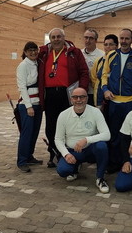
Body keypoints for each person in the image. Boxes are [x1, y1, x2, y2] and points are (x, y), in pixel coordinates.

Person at [38, 28, 89, 168]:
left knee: (68, 125)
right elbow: (27, 58)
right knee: (51, 126)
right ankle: (53, 153)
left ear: (64, 38)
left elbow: (84, 72)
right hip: (50, 94)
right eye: (53, 37)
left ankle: (70, 153)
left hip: (67, 94)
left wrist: (81, 90)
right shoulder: (44, 53)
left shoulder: (74, 52)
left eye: (58, 36)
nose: (56, 39)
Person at [102, 28, 132, 173]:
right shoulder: (111, 55)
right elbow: (104, 75)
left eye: (127, 39)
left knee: (128, 134)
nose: (124, 41)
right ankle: (114, 163)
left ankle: (127, 161)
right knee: (114, 134)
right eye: (122, 38)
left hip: (130, 102)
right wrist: (105, 90)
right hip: (114, 102)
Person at [55, 87, 111, 193]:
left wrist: (86, 139)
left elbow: (107, 134)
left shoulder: (95, 112)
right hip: (73, 151)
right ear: (71, 99)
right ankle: (75, 168)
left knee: (102, 146)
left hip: (90, 150)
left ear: (87, 99)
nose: (79, 100)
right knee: (63, 171)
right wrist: (66, 154)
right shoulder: (63, 115)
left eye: (82, 97)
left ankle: (100, 178)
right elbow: (58, 139)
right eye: (75, 97)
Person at [16, 41, 43, 173]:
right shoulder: (23, 65)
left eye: (35, 50)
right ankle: (21, 161)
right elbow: (22, 87)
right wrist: (28, 106)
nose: (33, 52)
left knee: (34, 133)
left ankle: (29, 156)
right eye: (30, 50)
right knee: (26, 134)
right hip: (28, 105)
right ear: (25, 52)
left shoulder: (38, 63)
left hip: (38, 104)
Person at [90, 34, 118, 110]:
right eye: (105, 44)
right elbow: (94, 78)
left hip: (115, 97)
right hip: (100, 97)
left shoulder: (120, 60)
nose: (107, 47)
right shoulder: (99, 61)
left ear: (116, 46)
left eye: (111, 44)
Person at [82, 28, 105, 106]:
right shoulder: (79, 54)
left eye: (91, 38)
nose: (88, 40)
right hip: (82, 91)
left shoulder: (102, 55)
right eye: (86, 37)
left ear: (96, 40)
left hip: (95, 92)